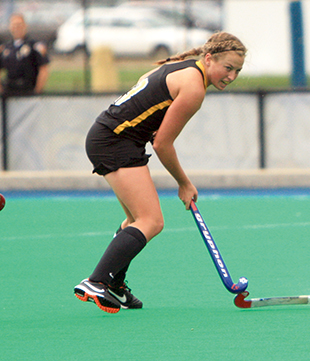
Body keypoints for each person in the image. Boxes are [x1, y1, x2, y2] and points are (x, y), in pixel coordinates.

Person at [74, 32, 247, 314]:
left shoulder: (182, 68)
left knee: (134, 218)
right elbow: (163, 144)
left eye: (237, 70)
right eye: (228, 67)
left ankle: (115, 286)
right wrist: (184, 183)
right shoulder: (194, 89)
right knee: (151, 221)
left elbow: (147, 99)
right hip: (116, 141)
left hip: (109, 136)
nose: (232, 75)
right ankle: (96, 281)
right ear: (208, 58)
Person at [0, 13, 49, 96]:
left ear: (25, 26)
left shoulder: (34, 46)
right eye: (14, 25)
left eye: (19, 25)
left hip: (28, 89)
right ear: (10, 27)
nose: (17, 28)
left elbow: (43, 69)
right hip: (9, 90)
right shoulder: (5, 48)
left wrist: (37, 91)